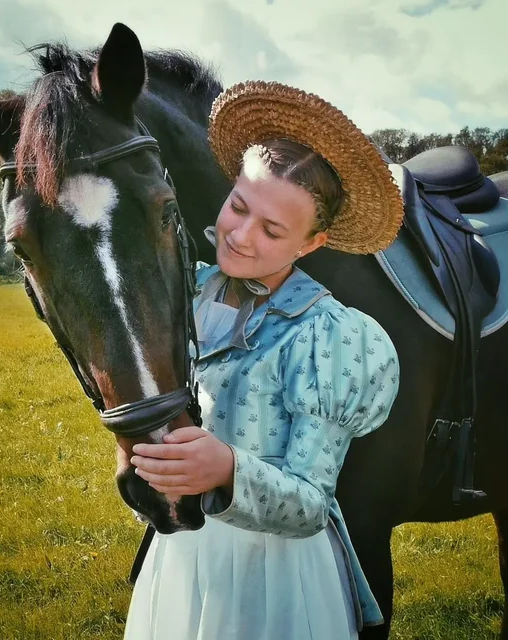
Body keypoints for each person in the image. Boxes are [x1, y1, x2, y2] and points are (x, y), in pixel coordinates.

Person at [124, 81, 404, 640]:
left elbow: (309, 505)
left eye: (272, 230)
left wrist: (225, 469)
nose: (241, 236)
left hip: (277, 574)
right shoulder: (187, 294)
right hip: (184, 553)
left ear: (311, 244)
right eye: (238, 206)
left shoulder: (326, 337)